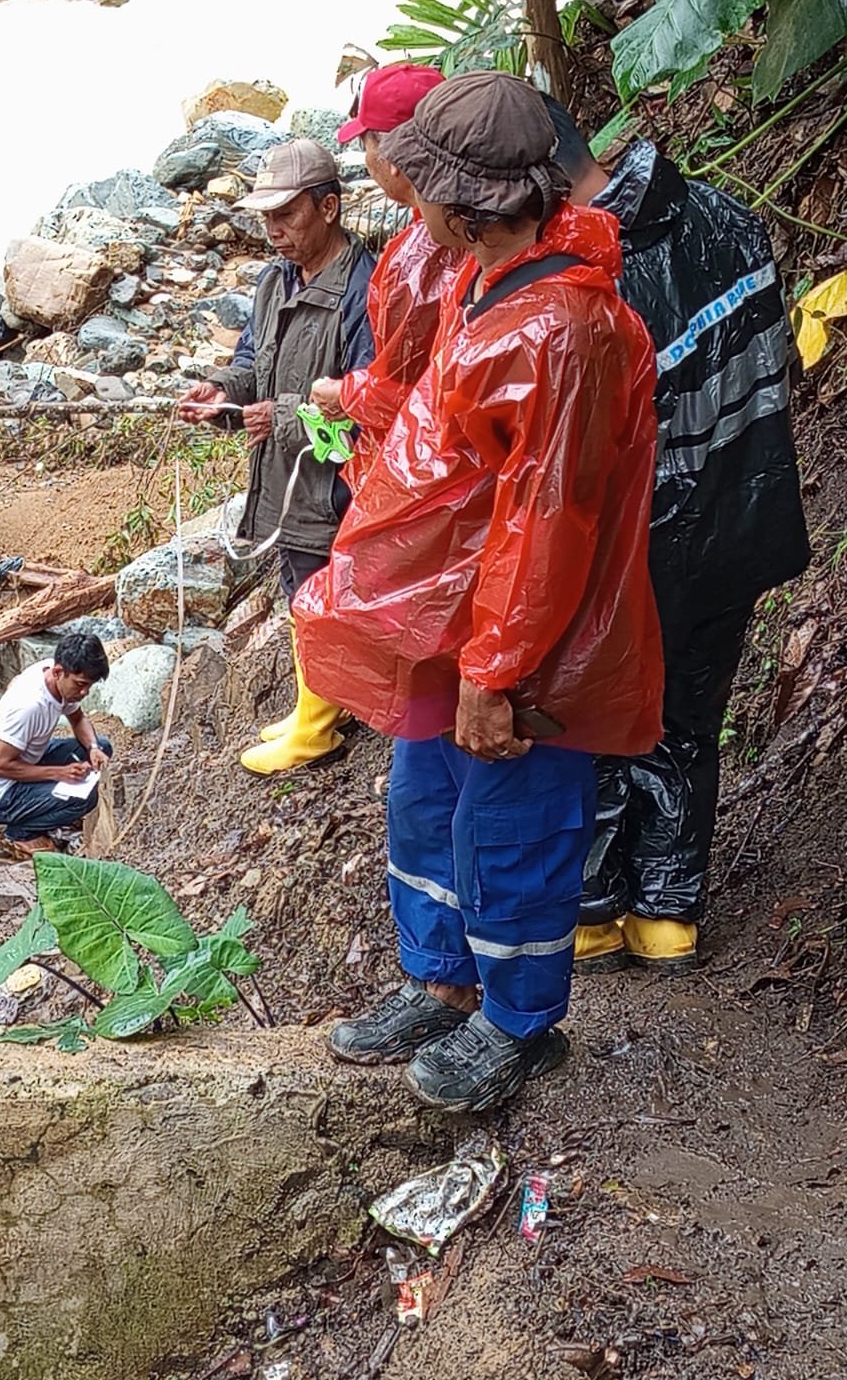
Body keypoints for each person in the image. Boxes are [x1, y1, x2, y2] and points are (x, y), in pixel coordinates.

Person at [294, 72, 663, 1112]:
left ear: (463, 207)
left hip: (523, 636)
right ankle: (443, 979)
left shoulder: (562, 328)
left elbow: (549, 520)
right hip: (456, 612)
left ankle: (519, 1020)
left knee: (513, 824)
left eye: (423, 186)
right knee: (427, 802)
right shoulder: (485, 280)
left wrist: (498, 670)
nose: (411, 200)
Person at [542, 99, 811, 973]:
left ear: (534, 178)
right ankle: (667, 906)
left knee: (591, 710)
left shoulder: (580, 267)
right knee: (689, 709)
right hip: (735, 519)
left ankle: (594, 906)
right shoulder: (726, 218)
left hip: (630, 541)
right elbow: (774, 373)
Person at [177, 137, 375, 776]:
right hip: (283, 480)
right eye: (266, 217)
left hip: (332, 489)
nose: (273, 231)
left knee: (320, 597)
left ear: (329, 207)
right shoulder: (274, 281)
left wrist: (281, 416)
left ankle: (319, 726)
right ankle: (321, 704)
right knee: (298, 590)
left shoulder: (363, 291)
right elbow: (250, 362)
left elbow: (372, 398)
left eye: (286, 215)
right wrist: (223, 393)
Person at [309, 63, 460, 489]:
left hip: (434, 474)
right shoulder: (478, 221)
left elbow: (411, 387)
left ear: (394, 158)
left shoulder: (421, 257)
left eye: (366, 144)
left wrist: (345, 395)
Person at [0, 631, 113, 854]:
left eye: (89, 686)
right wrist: (59, 773)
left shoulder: (56, 676)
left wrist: (93, 749)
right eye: (80, 684)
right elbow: (0, 766)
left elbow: (77, 719)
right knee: (85, 799)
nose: (84, 692)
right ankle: (21, 832)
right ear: (58, 672)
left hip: (30, 759)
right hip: (2, 794)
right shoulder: (30, 707)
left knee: (102, 746)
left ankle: (50, 807)